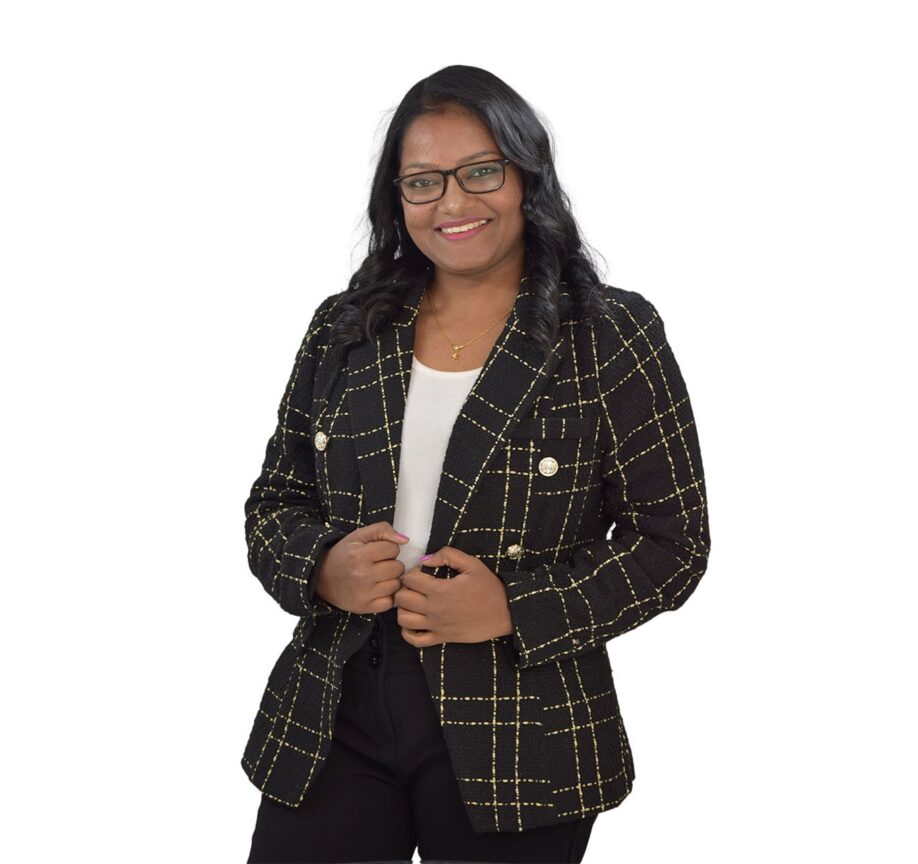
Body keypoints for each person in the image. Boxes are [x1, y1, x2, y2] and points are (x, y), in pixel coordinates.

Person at [242, 64, 711, 864]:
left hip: (523, 722)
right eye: (423, 182)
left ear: (527, 176)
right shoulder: (346, 328)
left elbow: (672, 544)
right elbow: (274, 501)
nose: (453, 203)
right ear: (397, 199)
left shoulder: (609, 334)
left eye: (481, 172)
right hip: (337, 704)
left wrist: (514, 607)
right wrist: (320, 566)